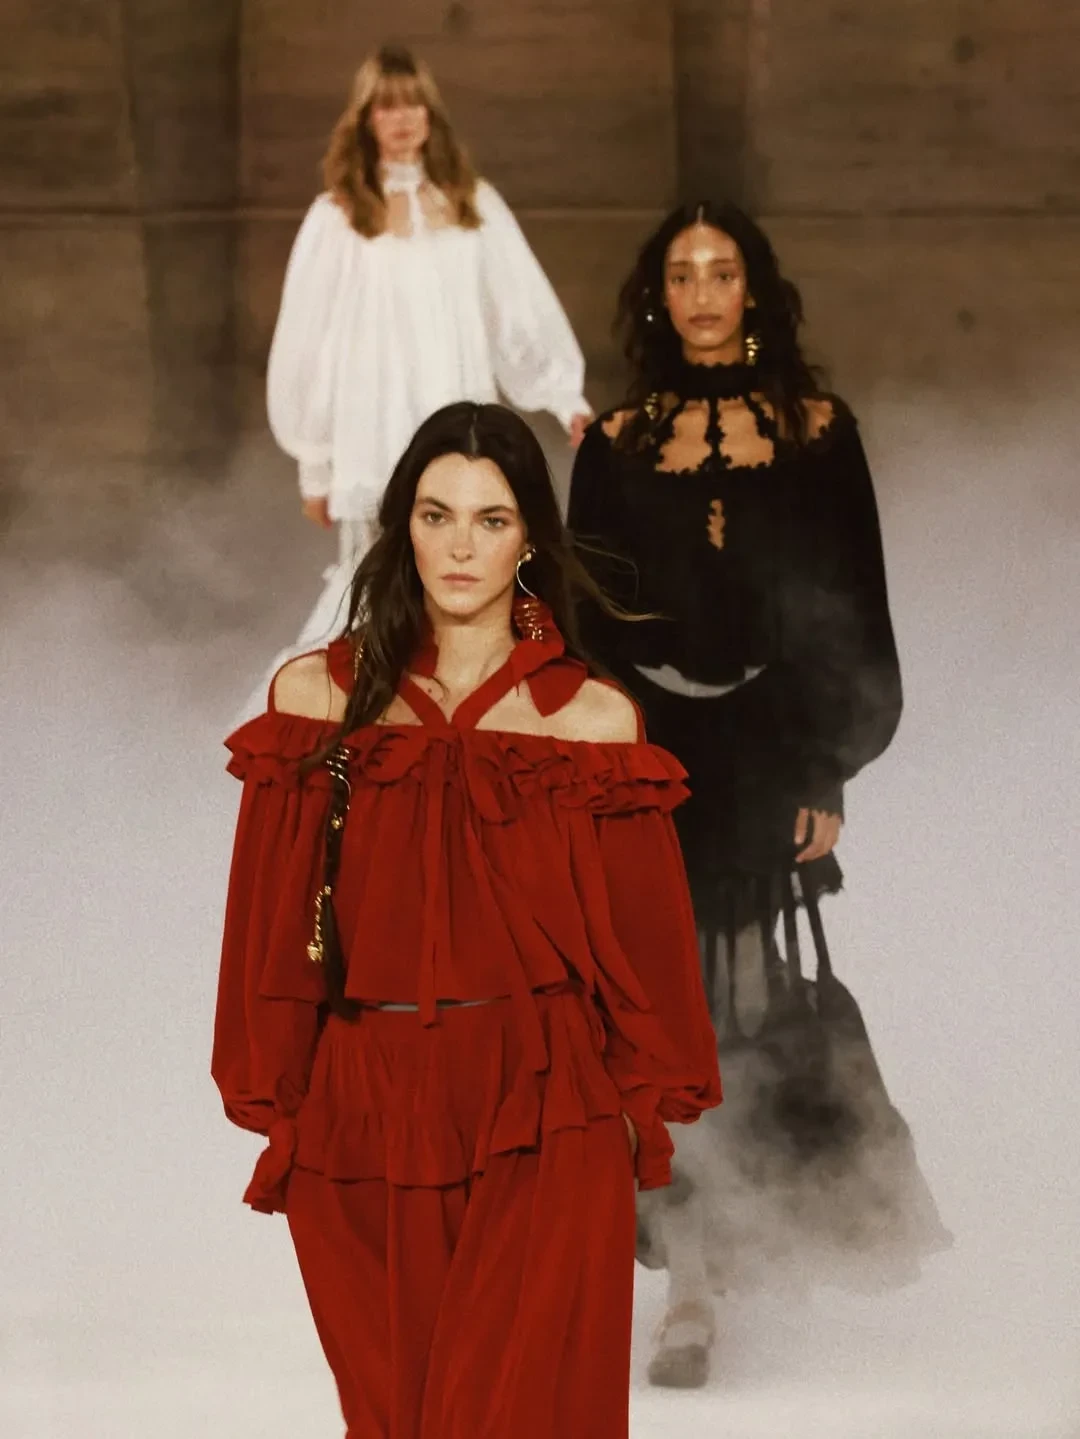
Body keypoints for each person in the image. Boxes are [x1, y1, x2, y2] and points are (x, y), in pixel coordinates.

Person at [212, 401, 721, 1439]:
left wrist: (633, 1105)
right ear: (402, 524)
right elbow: (267, 927)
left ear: (530, 536)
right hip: (363, 1110)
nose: (459, 546)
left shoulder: (591, 721)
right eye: (437, 514)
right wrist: (287, 1103)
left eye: (491, 520)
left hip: (543, 1101)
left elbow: (648, 948)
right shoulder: (315, 701)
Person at [567, 202, 949, 1388]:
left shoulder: (818, 433)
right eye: (681, 274)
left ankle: (728, 1249)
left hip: (768, 745)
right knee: (658, 1007)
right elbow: (583, 625)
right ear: (656, 296)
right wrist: (596, 761)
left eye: (721, 271)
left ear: (754, 290)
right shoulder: (614, 444)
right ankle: (688, 1275)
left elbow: (854, 607)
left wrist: (826, 763)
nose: (700, 292)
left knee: (738, 998)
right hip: (650, 748)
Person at [264, 44, 591, 662]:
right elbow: (310, 344)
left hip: (458, 420)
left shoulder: (472, 205)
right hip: (377, 430)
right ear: (365, 119)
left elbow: (518, 309)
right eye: (386, 106)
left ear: (430, 114)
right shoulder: (337, 218)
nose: (402, 118)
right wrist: (316, 467)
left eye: (413, 104)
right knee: (381, 588)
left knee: (465, 576)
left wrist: (562, 395)